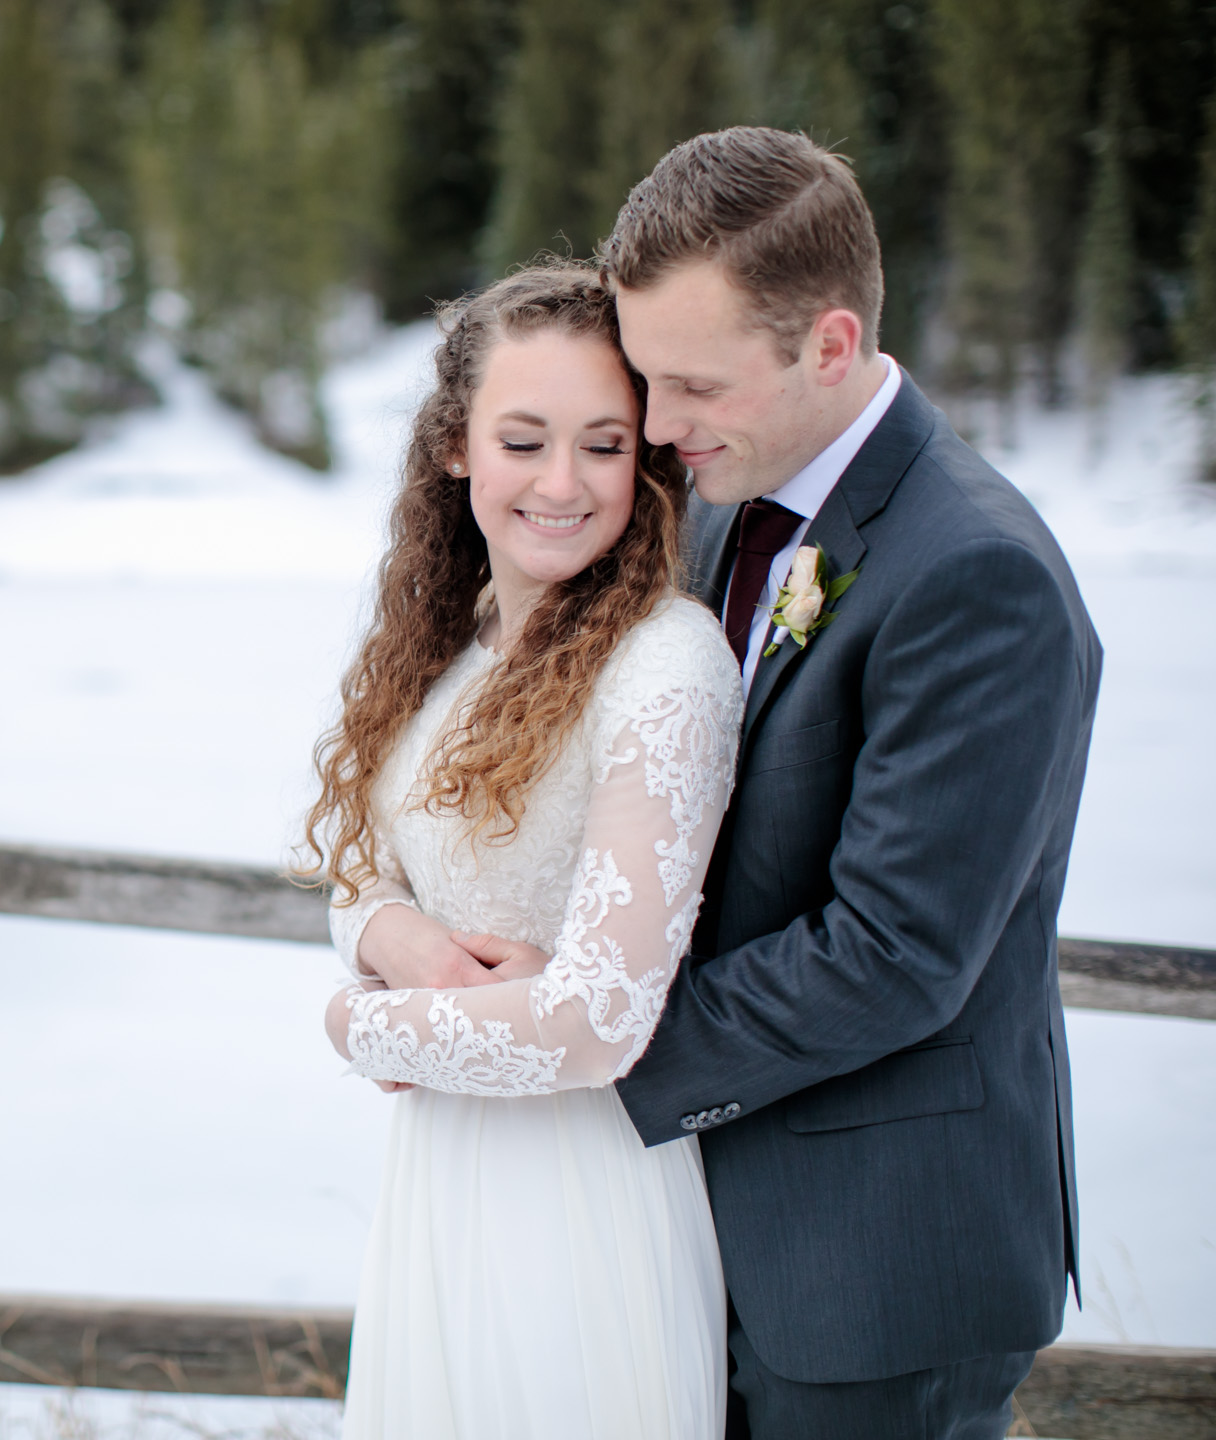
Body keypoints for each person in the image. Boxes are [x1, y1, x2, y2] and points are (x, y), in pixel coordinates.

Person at [602, 128, 1101, 1439]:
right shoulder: (728, 495)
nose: (658, 426)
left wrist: (585, 1046)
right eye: (646, 379)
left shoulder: (976, 579)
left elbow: (893, 953)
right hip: (711, 1226)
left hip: (879, 1263)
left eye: (693, 384)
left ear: (828, 345)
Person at [307, 260, 744, 1438]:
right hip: (444, 1179)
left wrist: (360, 1023)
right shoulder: (450, 642)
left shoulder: (663, 663)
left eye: (605, 445)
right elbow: (361, 865)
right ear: (454, 447)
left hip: (582, 1191)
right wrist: (400, 941)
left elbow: (602, 1020)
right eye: (524, 440)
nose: (564, 483)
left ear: (646, 459)